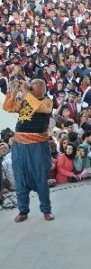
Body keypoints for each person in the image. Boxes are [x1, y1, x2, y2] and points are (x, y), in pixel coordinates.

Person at [2, 78, 54, 222]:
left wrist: (25, 91)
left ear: (42, 89)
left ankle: (46, 210)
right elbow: (7, 107)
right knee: (20, 177)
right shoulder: (26, 100)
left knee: (40, 178)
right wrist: (12, 92)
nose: (30, 89)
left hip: (37, 146)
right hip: (19, 146)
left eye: (32, 87)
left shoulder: (47, 102)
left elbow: (37, 107)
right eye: (29, 87)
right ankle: (23, 210)